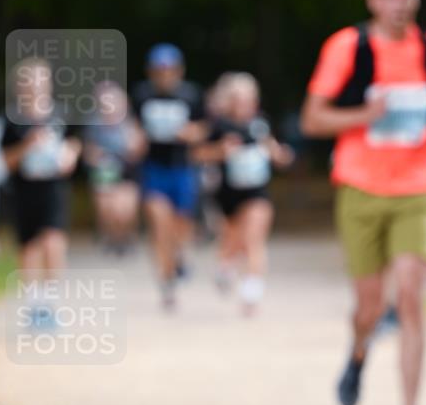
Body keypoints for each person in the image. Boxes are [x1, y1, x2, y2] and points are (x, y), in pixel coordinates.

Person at [301, 0, 426, 405]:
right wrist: (362, 114)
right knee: (369, 306)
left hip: (417, 188)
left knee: (411, 296)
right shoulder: (349, 47)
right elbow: (312, 120)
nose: (400, 3)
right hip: (360, 187)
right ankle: (357, 353)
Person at [194, 72, 294, 315]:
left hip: (256, 192)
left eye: (249, 99)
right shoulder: (219, 126)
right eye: (239, 100)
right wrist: (220, 150)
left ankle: (252, 290)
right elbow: (198, 154)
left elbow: (274, 150)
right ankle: (225, 267)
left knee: (254, 238)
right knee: (232, 241)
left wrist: (281, 156)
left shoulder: (260, 125)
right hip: (227, 194)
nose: (245, 105)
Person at [1, 58, 81, 324]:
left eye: (39, 80)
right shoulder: (13, 119)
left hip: (54, 189)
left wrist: (70, 155)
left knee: (53, 241)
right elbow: (6, 161)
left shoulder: (62, 114)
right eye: (29, 81)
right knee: (29, 247)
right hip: (24, 191)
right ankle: (34, 305)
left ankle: (52, 302)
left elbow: (75, 142)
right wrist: (27, 146)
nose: (34, 86)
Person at [131, 44, 206, 308]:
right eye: (159, 71)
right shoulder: (142, 95)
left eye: (169, 70)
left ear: (178, 71)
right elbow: (134, 127)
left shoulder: (190, 95)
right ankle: (166, 281)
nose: (164, 76)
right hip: (154, 169)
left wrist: (190, 133)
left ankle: (179, 257)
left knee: (181, 225)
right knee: (159, 223)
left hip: (182, 168)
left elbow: (204, 128)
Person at [82, 81, 145, 254]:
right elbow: (88, 151)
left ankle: (126, 237)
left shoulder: (130, 124)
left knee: (125, 211)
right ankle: (112, 238)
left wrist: (132, 148)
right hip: (104, 174)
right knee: (107, 211)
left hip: (127, 173)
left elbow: (139, 149)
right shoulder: (93, 125)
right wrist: (96, 157)